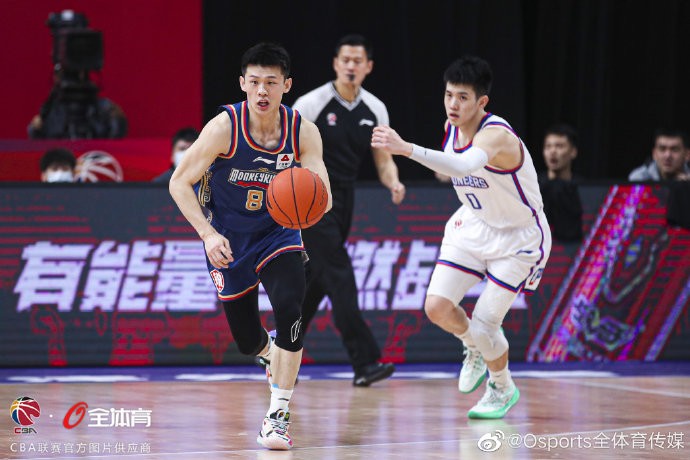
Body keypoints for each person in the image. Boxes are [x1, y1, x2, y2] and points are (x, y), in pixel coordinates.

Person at [169, 42, 331, 450]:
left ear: (286, 86)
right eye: (255, 82)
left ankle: (277, 416)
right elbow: (179, 182)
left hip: (279, 233)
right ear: (242, 83)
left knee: (291, 308)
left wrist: (312, 197)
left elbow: (322, 190)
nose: (262, 91)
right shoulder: (223, 128)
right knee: (246, 341)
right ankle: (270, 353)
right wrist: (207, 234)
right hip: (228, 238)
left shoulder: (303, 131)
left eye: (271, 83)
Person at [372, 55, 551, 419]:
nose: (453, 104)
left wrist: (406, 148)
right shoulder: (452, 126)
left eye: (463, 97)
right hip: (472, 223)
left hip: (518, 238)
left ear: (482, 101)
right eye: (449, 95)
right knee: (436, 307)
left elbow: (464, 165)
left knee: (486, 323)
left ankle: (502, 386)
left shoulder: (497, 135)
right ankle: (472, 346)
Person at [291, 34, 405, 386]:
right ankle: (365, 362)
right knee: (339, 274)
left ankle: (280, 349)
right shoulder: (311, 104)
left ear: (368, 66)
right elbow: (288, 153)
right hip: (312, 196)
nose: (351, 66)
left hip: (346, 198)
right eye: (345, 60)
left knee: (316, 280)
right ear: (335, 64)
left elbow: (383, 160)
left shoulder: (376, 109)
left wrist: (393, 183)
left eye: (358, 61)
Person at [538, 123, 583, 241]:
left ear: (573, 152)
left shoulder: (582, 188)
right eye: (548, 146)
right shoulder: (533, 186)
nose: (552, 151)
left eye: (559, 146)